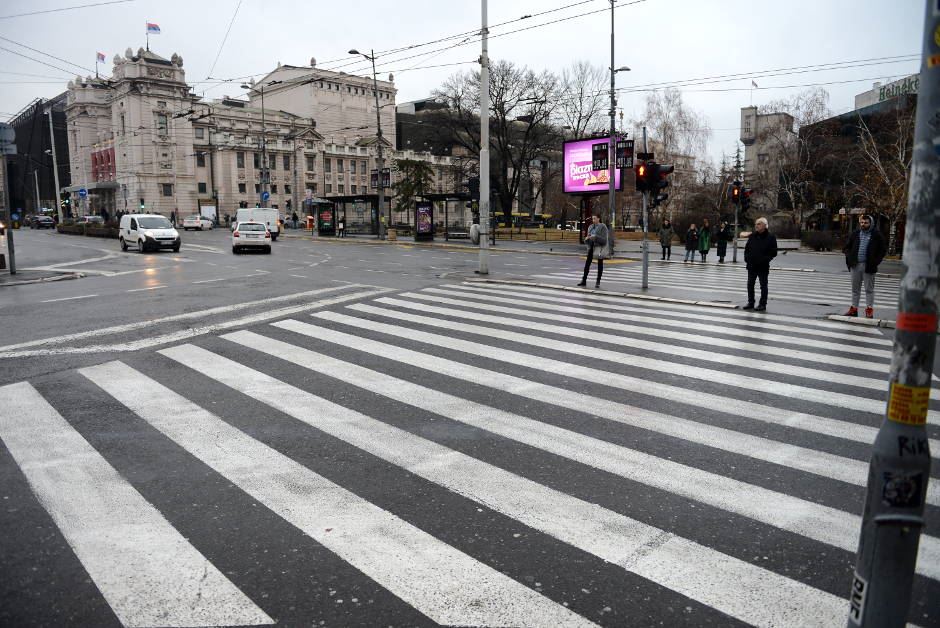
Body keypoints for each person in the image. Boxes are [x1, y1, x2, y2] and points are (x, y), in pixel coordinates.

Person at [842, 214, 886, 318]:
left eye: (866, 222)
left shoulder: (876, 234)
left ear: (871, 223)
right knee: (855, 289)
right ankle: (854, 309)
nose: (863, 224)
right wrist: (850, 257)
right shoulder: (856, 233)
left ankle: (869, 309)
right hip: (855, 265)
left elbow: (882, 250)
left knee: (869, 289)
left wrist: (875, 261)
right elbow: (846, 247)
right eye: (861, 222)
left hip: (868, 266)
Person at [743, 217, 778, 311]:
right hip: (751, 265)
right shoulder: (752, 236)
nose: (756, 226)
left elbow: (773, 252)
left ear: (764, 225)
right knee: (750, 284)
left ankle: (762, 304)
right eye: (756, 224)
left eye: (758, 224)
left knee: (763, 286)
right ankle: (751, 302)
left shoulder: (771, 237)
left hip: (763, 266)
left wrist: (765, 260)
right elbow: (747, 249)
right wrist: (747, 259)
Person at [577, 214, 609, 288]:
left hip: (599, 248)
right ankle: (583, 280)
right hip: (591, 247)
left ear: (599, 219)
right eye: (592, 218)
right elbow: (588, 237)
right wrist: (587, 239)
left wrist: (595, 237)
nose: (593, 220)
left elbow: (604, 240)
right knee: (587, 264)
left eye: (595, 218)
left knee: (600, 264)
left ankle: (598, 282)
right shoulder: (590, 227)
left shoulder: (603, 227)